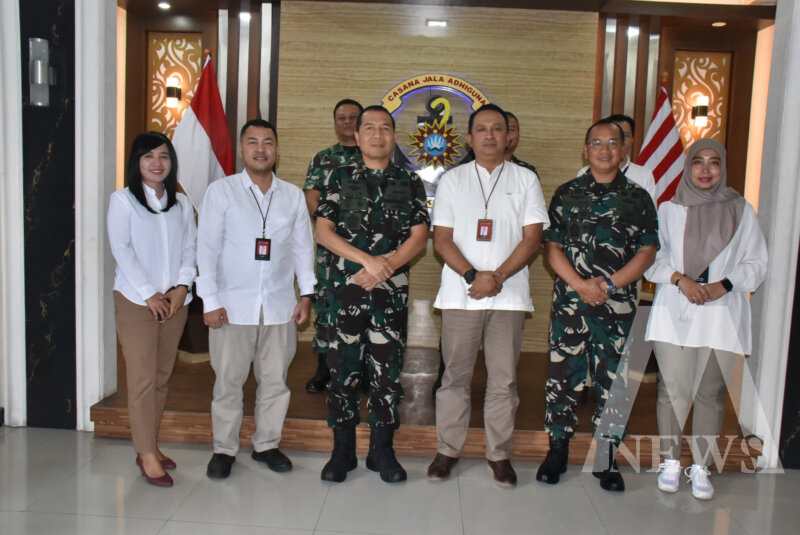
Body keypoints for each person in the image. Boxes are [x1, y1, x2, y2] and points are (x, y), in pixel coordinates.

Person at [426, 103, 549, 488]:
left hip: (508, 297)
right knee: (454, 377)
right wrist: (472, 275)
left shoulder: (525, 179)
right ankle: (447, 450)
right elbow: (441, 239)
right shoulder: (452, 180)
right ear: (469, 137)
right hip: (460, 294)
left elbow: (532, 238)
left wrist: (496, 277)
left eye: (498, 128)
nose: (490, 135)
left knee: (504, 380)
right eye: (482, 129)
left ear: (508, 136)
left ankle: (499, 454)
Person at [537, 118, 658, 492]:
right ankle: (557, 451)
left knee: (614, 382)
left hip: (616, 306)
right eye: (596, 143)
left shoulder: (638, 198)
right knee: (563, 378)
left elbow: (647, 252)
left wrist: (609, 284)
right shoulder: (567, 193)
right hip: (571, 305)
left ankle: (606, 459)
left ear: (623, 151)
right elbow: (552, 248)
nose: (604, 150)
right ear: (585, 150)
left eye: (612, 143)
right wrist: (579, 285)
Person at [644, 139, 767, 500]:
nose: (706, 170)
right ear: (688, 167)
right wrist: (680, 280)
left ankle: (701, 467)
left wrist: (724, 285)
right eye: (698, 161)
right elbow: (651, 258)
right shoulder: (668, 210)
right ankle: (670, 461)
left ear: (723, 167)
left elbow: (757, 263)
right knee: (672, 391)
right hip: (675, 308)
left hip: (720, 312)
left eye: (714, 162)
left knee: (709, 394)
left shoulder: (742, 211)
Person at [315, 105, 430, 484]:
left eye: (385, 128)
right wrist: (368, 261)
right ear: (357, 135)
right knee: (342, 370)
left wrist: (387, 266)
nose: (377, 135)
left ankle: (382, 451)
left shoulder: (409, 181)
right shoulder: (338, 177)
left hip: (389, 295)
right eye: (369, 128)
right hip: (345, 291)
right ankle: (342, 452)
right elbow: (323, 232)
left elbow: (419, 236)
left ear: (394, 136)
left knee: (387, 373)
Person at [197, 119, 315, 480]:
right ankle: (224, 449)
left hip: (279, 306)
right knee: (228, 383)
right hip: (231, 307)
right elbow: (206, 249)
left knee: (275, 382)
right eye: (253, 142)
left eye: (268, 142)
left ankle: (267, 444)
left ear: (276, 150)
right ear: (242, 148)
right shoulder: (221, 192)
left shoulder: (292, 195)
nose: (260, 149)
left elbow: (302, 249)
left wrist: (306, 294)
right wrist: (209, 300)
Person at [108, 132, 196, 487]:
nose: (157, 163)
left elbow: (190, 248)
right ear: (137, 162)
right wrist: (150, 294)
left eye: (164, 156)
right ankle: (145, 453)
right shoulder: (123, 200)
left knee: (161, 378)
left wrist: (181, 287)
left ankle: (151, 444)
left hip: (175, 302)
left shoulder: (182, 204)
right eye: (148, 156)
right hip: (136, 302)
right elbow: (122, 249)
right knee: (143, 380)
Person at [303, 98, 363, 394]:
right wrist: (335, 229)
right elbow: (311, 199)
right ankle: (324, 368)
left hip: (365, 250)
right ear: (335, 122)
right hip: (330, 249)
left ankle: (364, 370)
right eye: (342, 118)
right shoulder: (323, 158)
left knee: (364, 308)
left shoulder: (374, 156)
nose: (347, 122)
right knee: (327, 308)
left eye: (353, 117)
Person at [576, 114, 657, 203]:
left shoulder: (644, 175)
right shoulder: (584, 173)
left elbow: (649, 210)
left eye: (625, 136)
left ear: (632, 140)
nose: (622, 140)